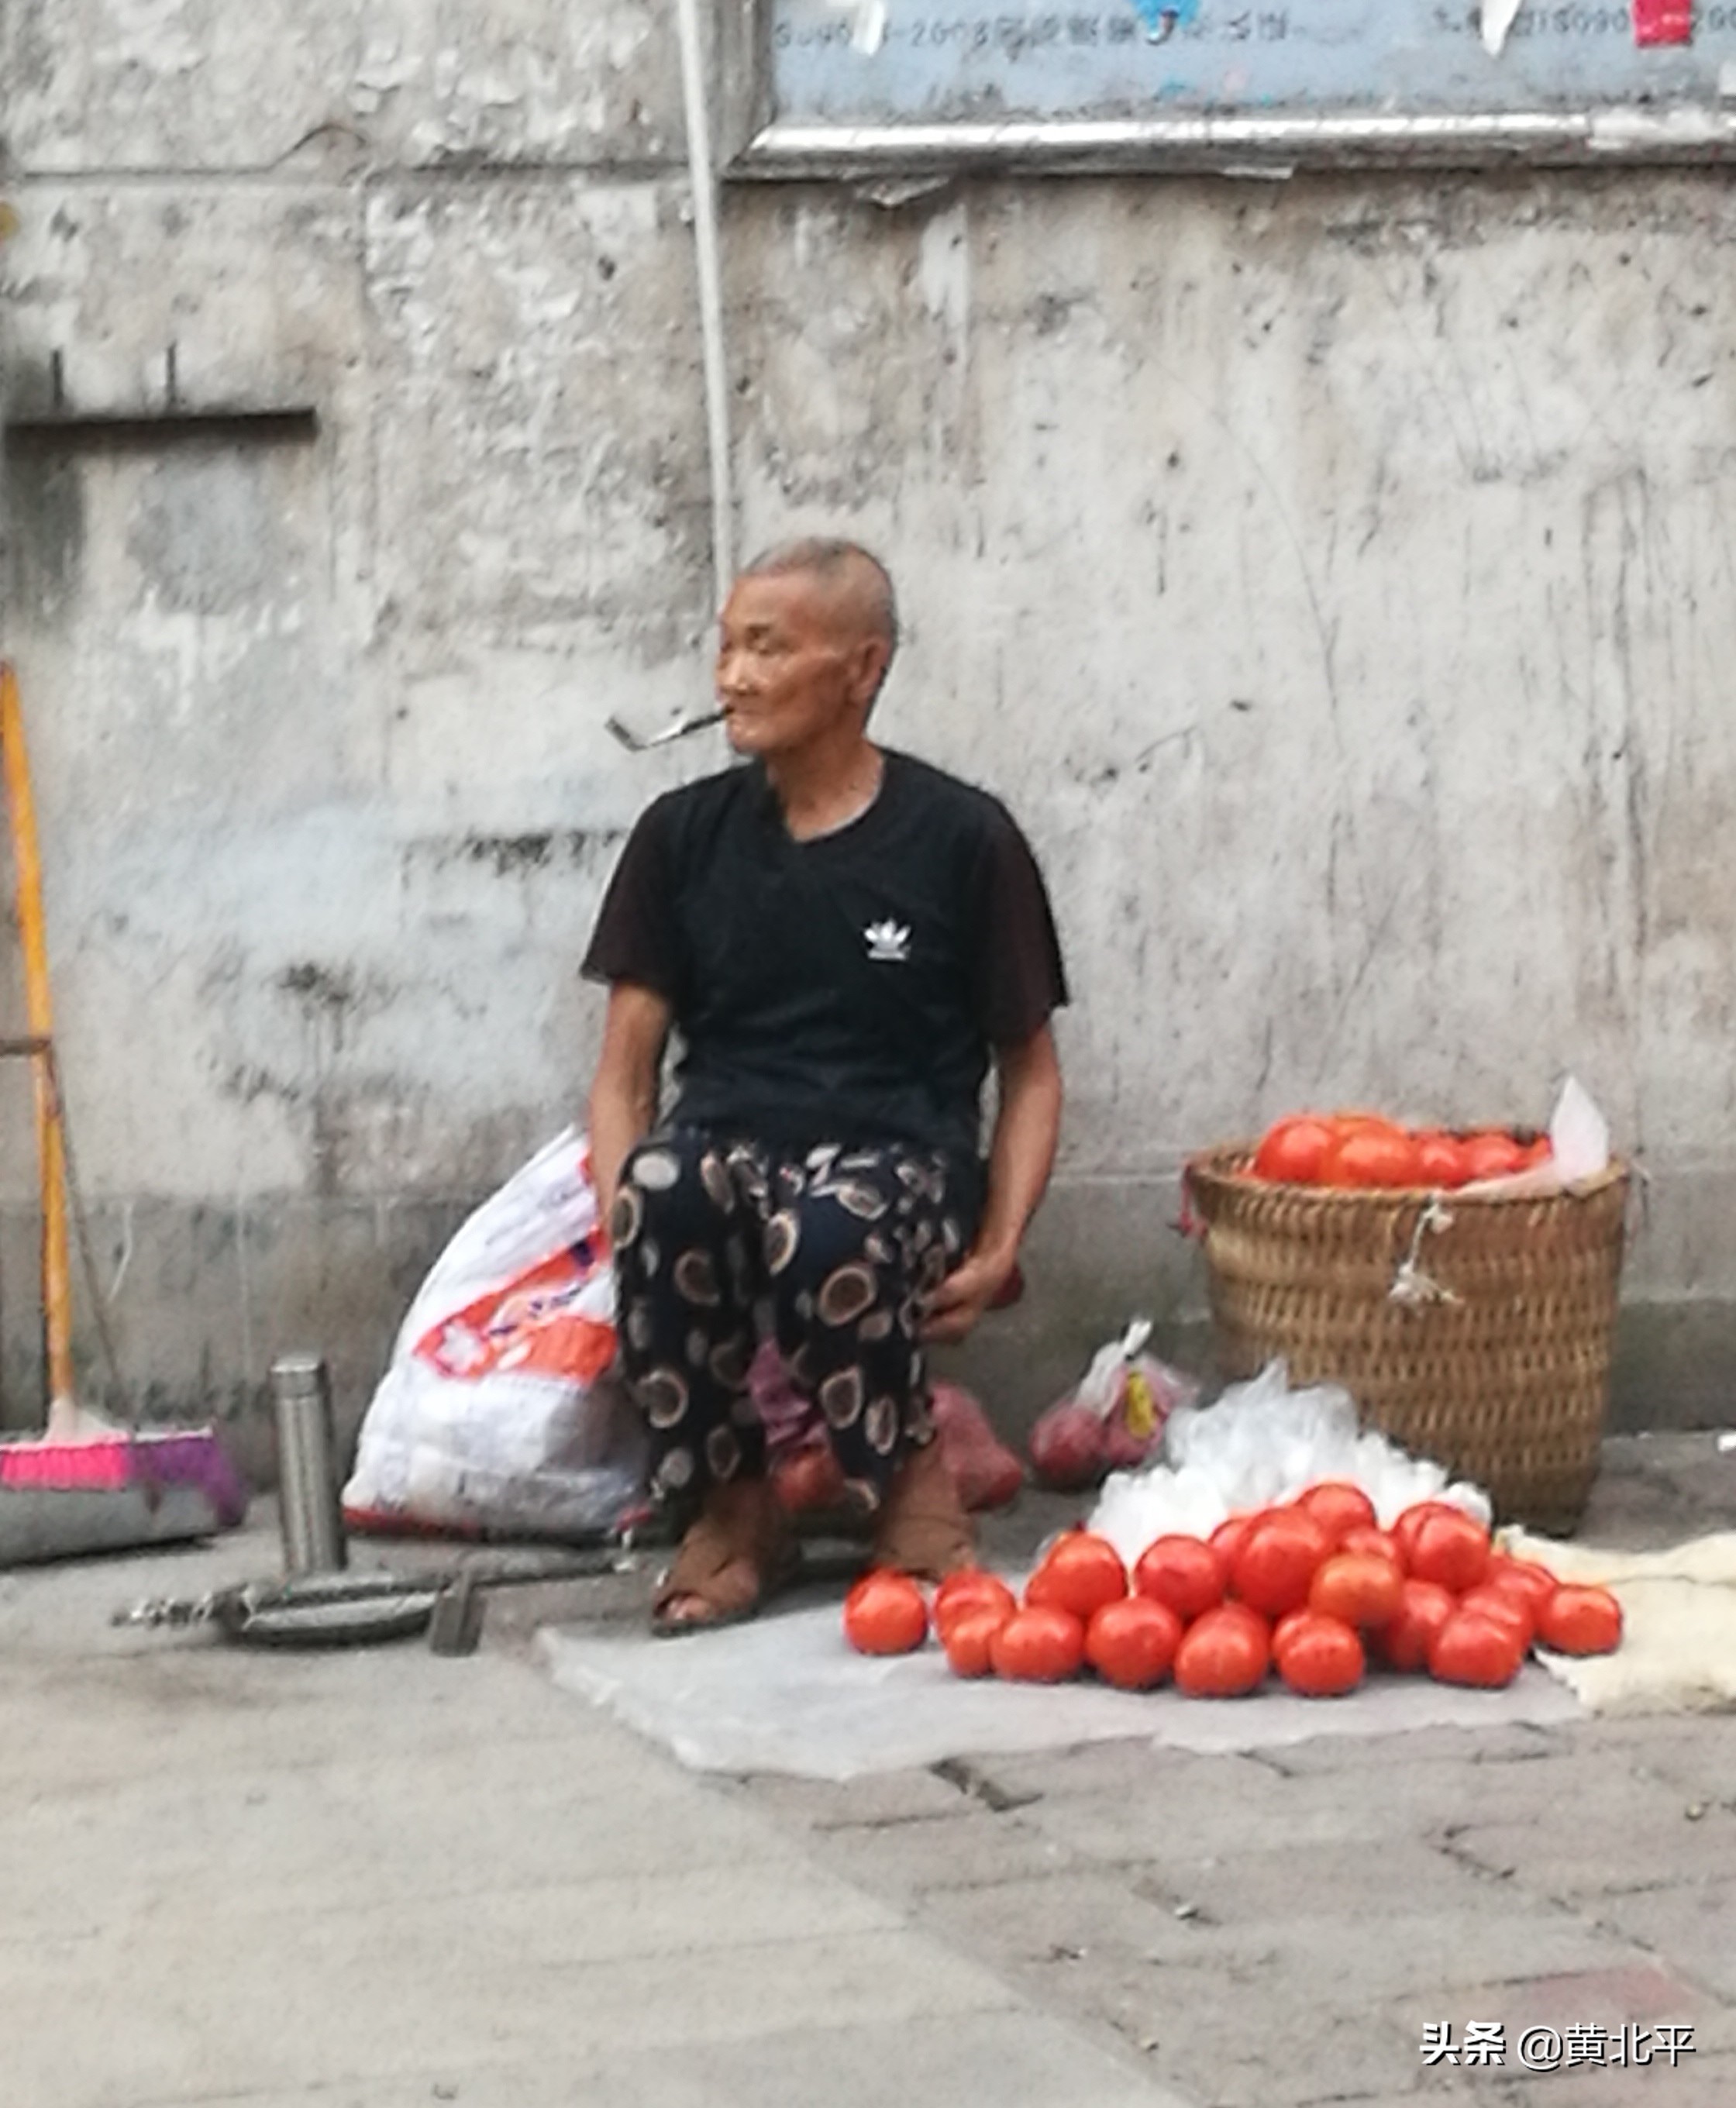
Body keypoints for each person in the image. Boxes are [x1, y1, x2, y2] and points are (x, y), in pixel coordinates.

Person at [582, 538, 1066, 1633]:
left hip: (900, 1164)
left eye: (768, 648)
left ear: (862, 668)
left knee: (828, 1229)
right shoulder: (681, 839)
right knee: (665, 1187)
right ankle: (733, 1507)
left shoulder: (962, 838)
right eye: (726, 648)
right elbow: (623, 1078)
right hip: (728, 1152)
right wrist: (630, 1218)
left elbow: (1029, 1071)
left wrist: (998, 1245)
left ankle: (906, 1486)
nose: (733, 679)